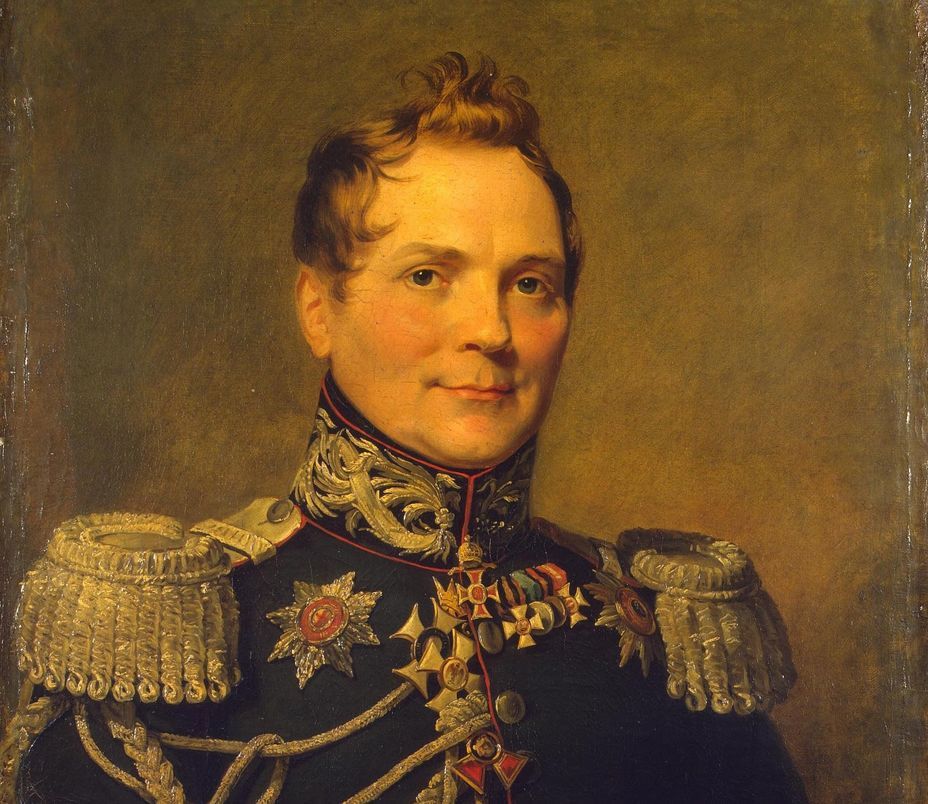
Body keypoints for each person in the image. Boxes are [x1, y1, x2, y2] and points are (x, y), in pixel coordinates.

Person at [4, 53, 807, 803]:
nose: (491, 329)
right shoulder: (164, 633)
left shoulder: (666, 635)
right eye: (428, 276)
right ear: (318, 309)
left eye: (530, 283)